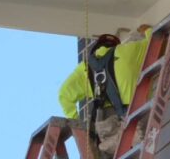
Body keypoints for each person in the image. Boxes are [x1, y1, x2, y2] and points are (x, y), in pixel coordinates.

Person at [59, 25, 151, 158]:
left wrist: (79, 129)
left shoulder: (84, 69)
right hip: (134, 117)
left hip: (106, 124)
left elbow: (64, 94)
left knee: (103, 151)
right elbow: (154, 42)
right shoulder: (127, 51)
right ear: (114, 46)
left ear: (97, 48)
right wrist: (146, 30)